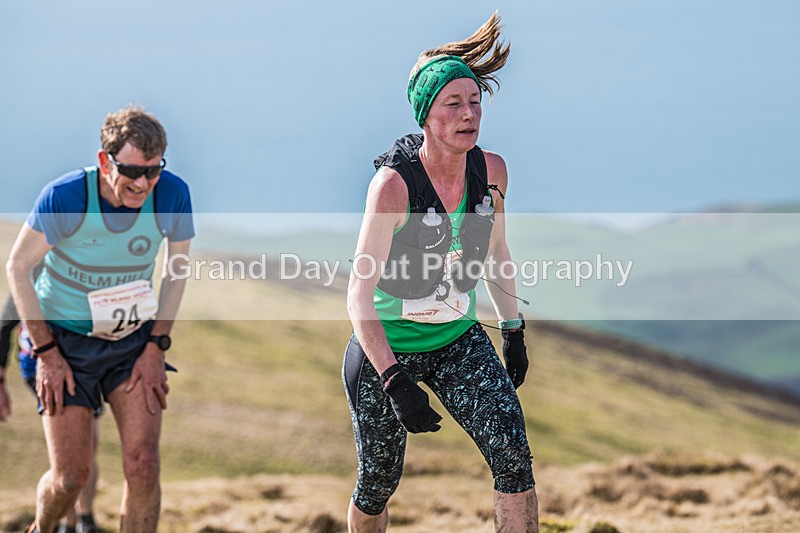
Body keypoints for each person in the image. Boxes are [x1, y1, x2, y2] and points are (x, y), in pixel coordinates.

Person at [343, 13, 538, 533]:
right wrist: (393, 381)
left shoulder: (491, 171)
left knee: (513, 456)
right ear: (426, 116)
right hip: (388, 348)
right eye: (453, 104)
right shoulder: (393, 187)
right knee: (378, 482)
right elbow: (358, 297)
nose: (469, 113)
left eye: (475, 102)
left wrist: (514, 331)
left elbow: (497, 251)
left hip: (458, 339)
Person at [5, 105, 194, 533]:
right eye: (132, 171)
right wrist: (47, 354)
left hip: (132, 343)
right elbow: (17, 269)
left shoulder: (172, 194)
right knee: (71, 478)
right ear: (106, 160)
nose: (143, 183)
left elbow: (177, 271)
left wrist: (155, 345)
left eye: (154, 170)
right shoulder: (67, 196)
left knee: (144, 464)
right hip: (65, 345)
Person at [0, 293, 102, 533]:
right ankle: (66, 523)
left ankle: (84, 520)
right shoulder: (35, 268)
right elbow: (4, 325)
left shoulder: (91, 265)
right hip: (41, 367)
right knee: (71, 449)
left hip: (84, 364)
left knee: (89, 442)